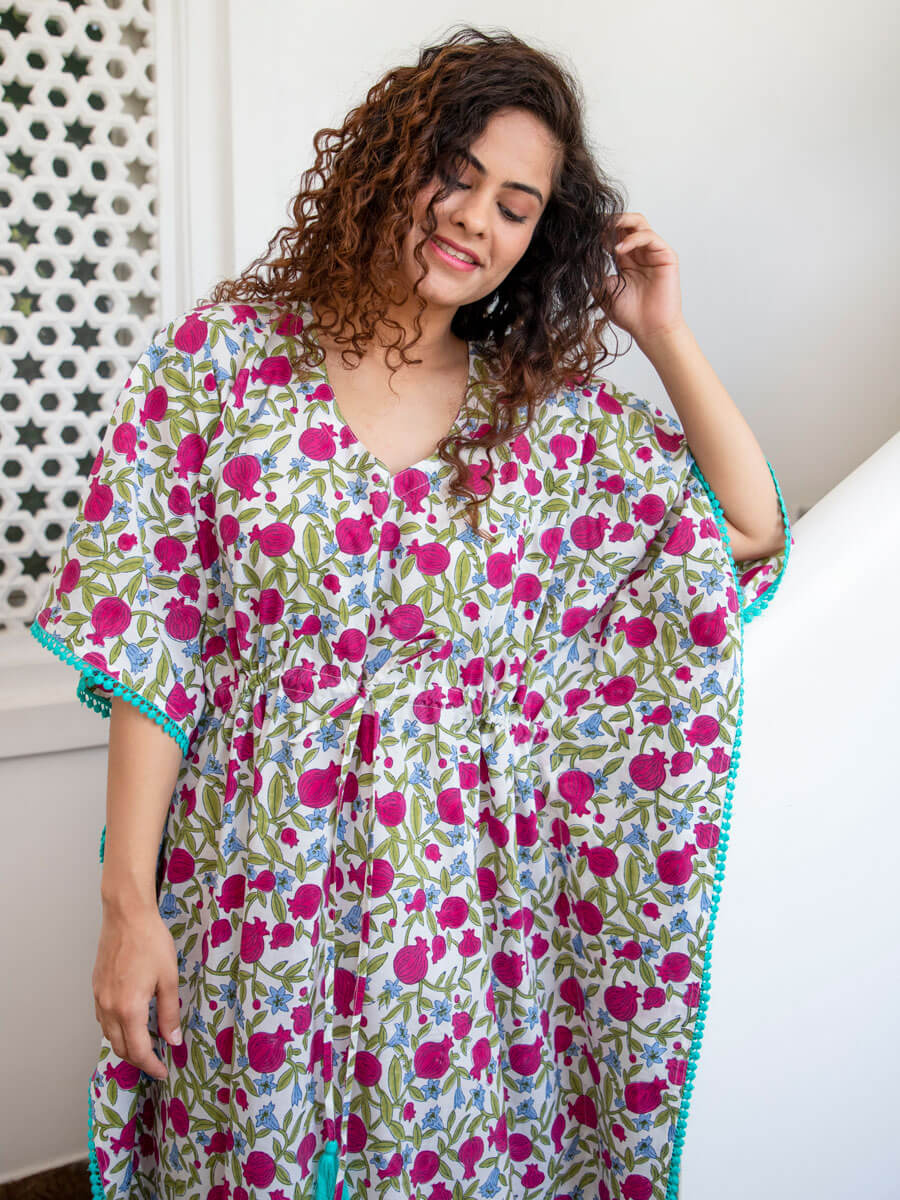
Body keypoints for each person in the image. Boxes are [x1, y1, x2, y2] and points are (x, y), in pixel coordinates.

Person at [30, 25, 791, 1200]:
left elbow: (742, 527)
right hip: (251, 897)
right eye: (457, 173)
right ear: (391, 161)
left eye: (517, 207)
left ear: (539, 240)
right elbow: (152, 648)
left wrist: (662, 332)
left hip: (454, 938)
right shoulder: (220, 364)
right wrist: (128, 910)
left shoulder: (541, 421)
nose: (475, 219)